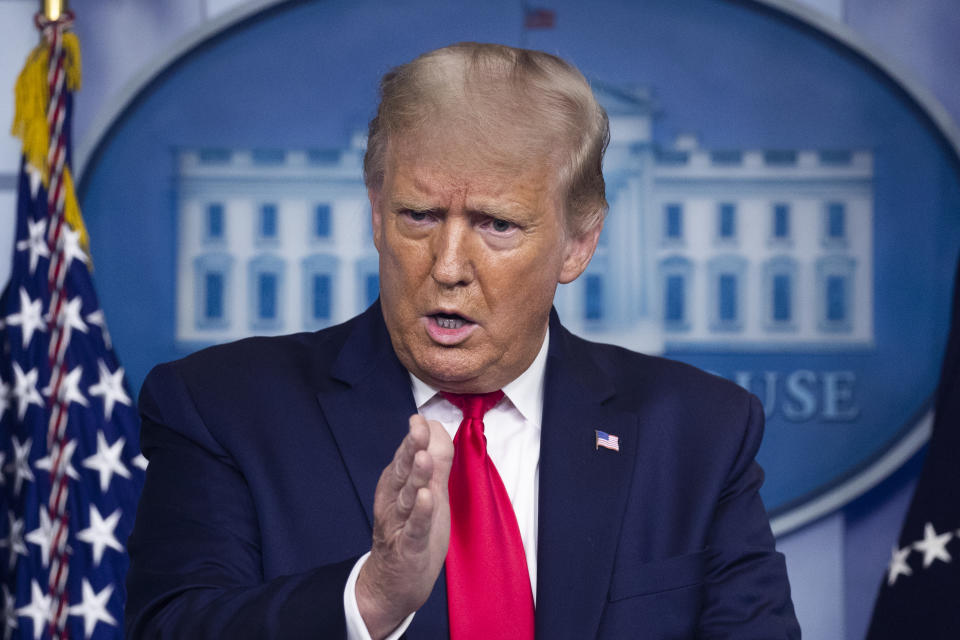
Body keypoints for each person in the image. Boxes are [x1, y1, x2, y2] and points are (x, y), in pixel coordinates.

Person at [125, 42, 800, 639]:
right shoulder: (220, 409)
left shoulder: (699, 434)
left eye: (497, 224)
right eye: (418, 215)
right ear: (375, 213)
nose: (447, 266)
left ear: (579, 242)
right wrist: (373, 598)